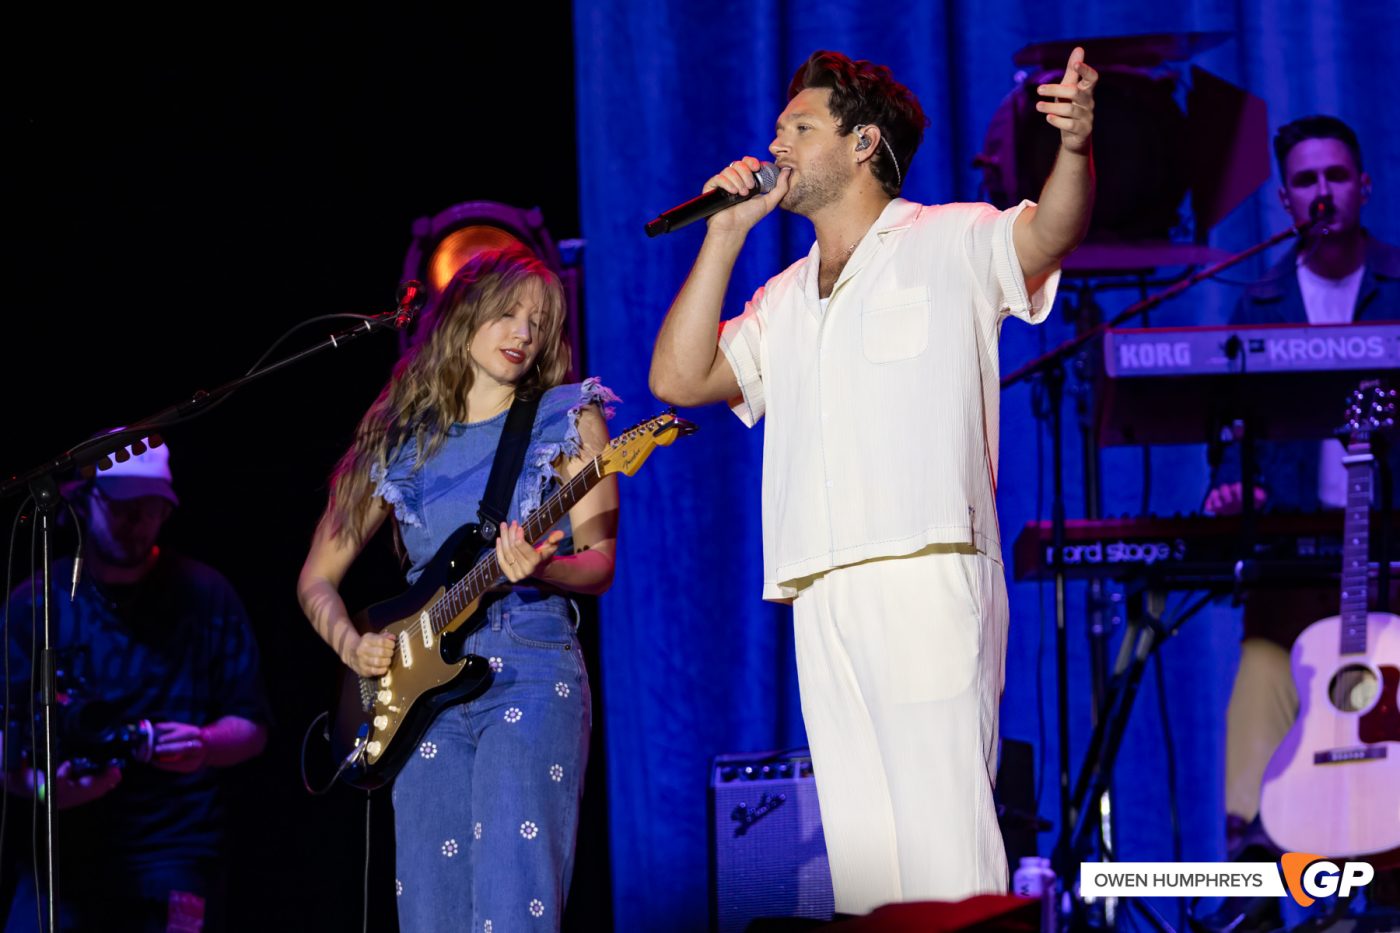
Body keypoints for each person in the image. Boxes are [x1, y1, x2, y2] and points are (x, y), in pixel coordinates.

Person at [648, 49, 1095, 912]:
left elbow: (1051, 233)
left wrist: (1073, 148)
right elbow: (677, 377)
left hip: (924, 568)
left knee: (945, 847)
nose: (774, 142)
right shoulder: (781, 295)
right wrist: (725, 232)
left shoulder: (951, 238)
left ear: (863, 142)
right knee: (865, 874)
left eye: (799, 128)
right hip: (820, 582)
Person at [296, 245, 618, 932]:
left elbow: (599, 562)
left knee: (514, 904)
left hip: (530, 667)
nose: (524, 334)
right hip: (418, 689)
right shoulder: (399, 438)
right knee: (431, 913)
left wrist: (541, 566)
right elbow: (317, 579)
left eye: (539, 321)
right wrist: (352, 644)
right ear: (460, 316)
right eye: (507, 314)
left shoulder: (568, 415)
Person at [1203, 115, 1400, 868]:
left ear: (1364, 187)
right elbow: (1228, 428)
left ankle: (1385, 867)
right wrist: (1231, 486)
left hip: (1387, 548)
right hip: (1293, 553)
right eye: (1308, 181)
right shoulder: (1257, 304)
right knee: (1259, 670)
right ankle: (1253, 873)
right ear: (1286, 199)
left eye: (1338, 176)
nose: (1325, 192)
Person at [2, 440, 269, 933]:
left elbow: (252, 727)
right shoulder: (35, 604)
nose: (137, 520)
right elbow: (5, 744)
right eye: (123, 506)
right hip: (61, 855)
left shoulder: (207, 594)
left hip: (175, 849)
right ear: (84, 499)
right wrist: (47, 791)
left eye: (152, 508)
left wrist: (204, 744)